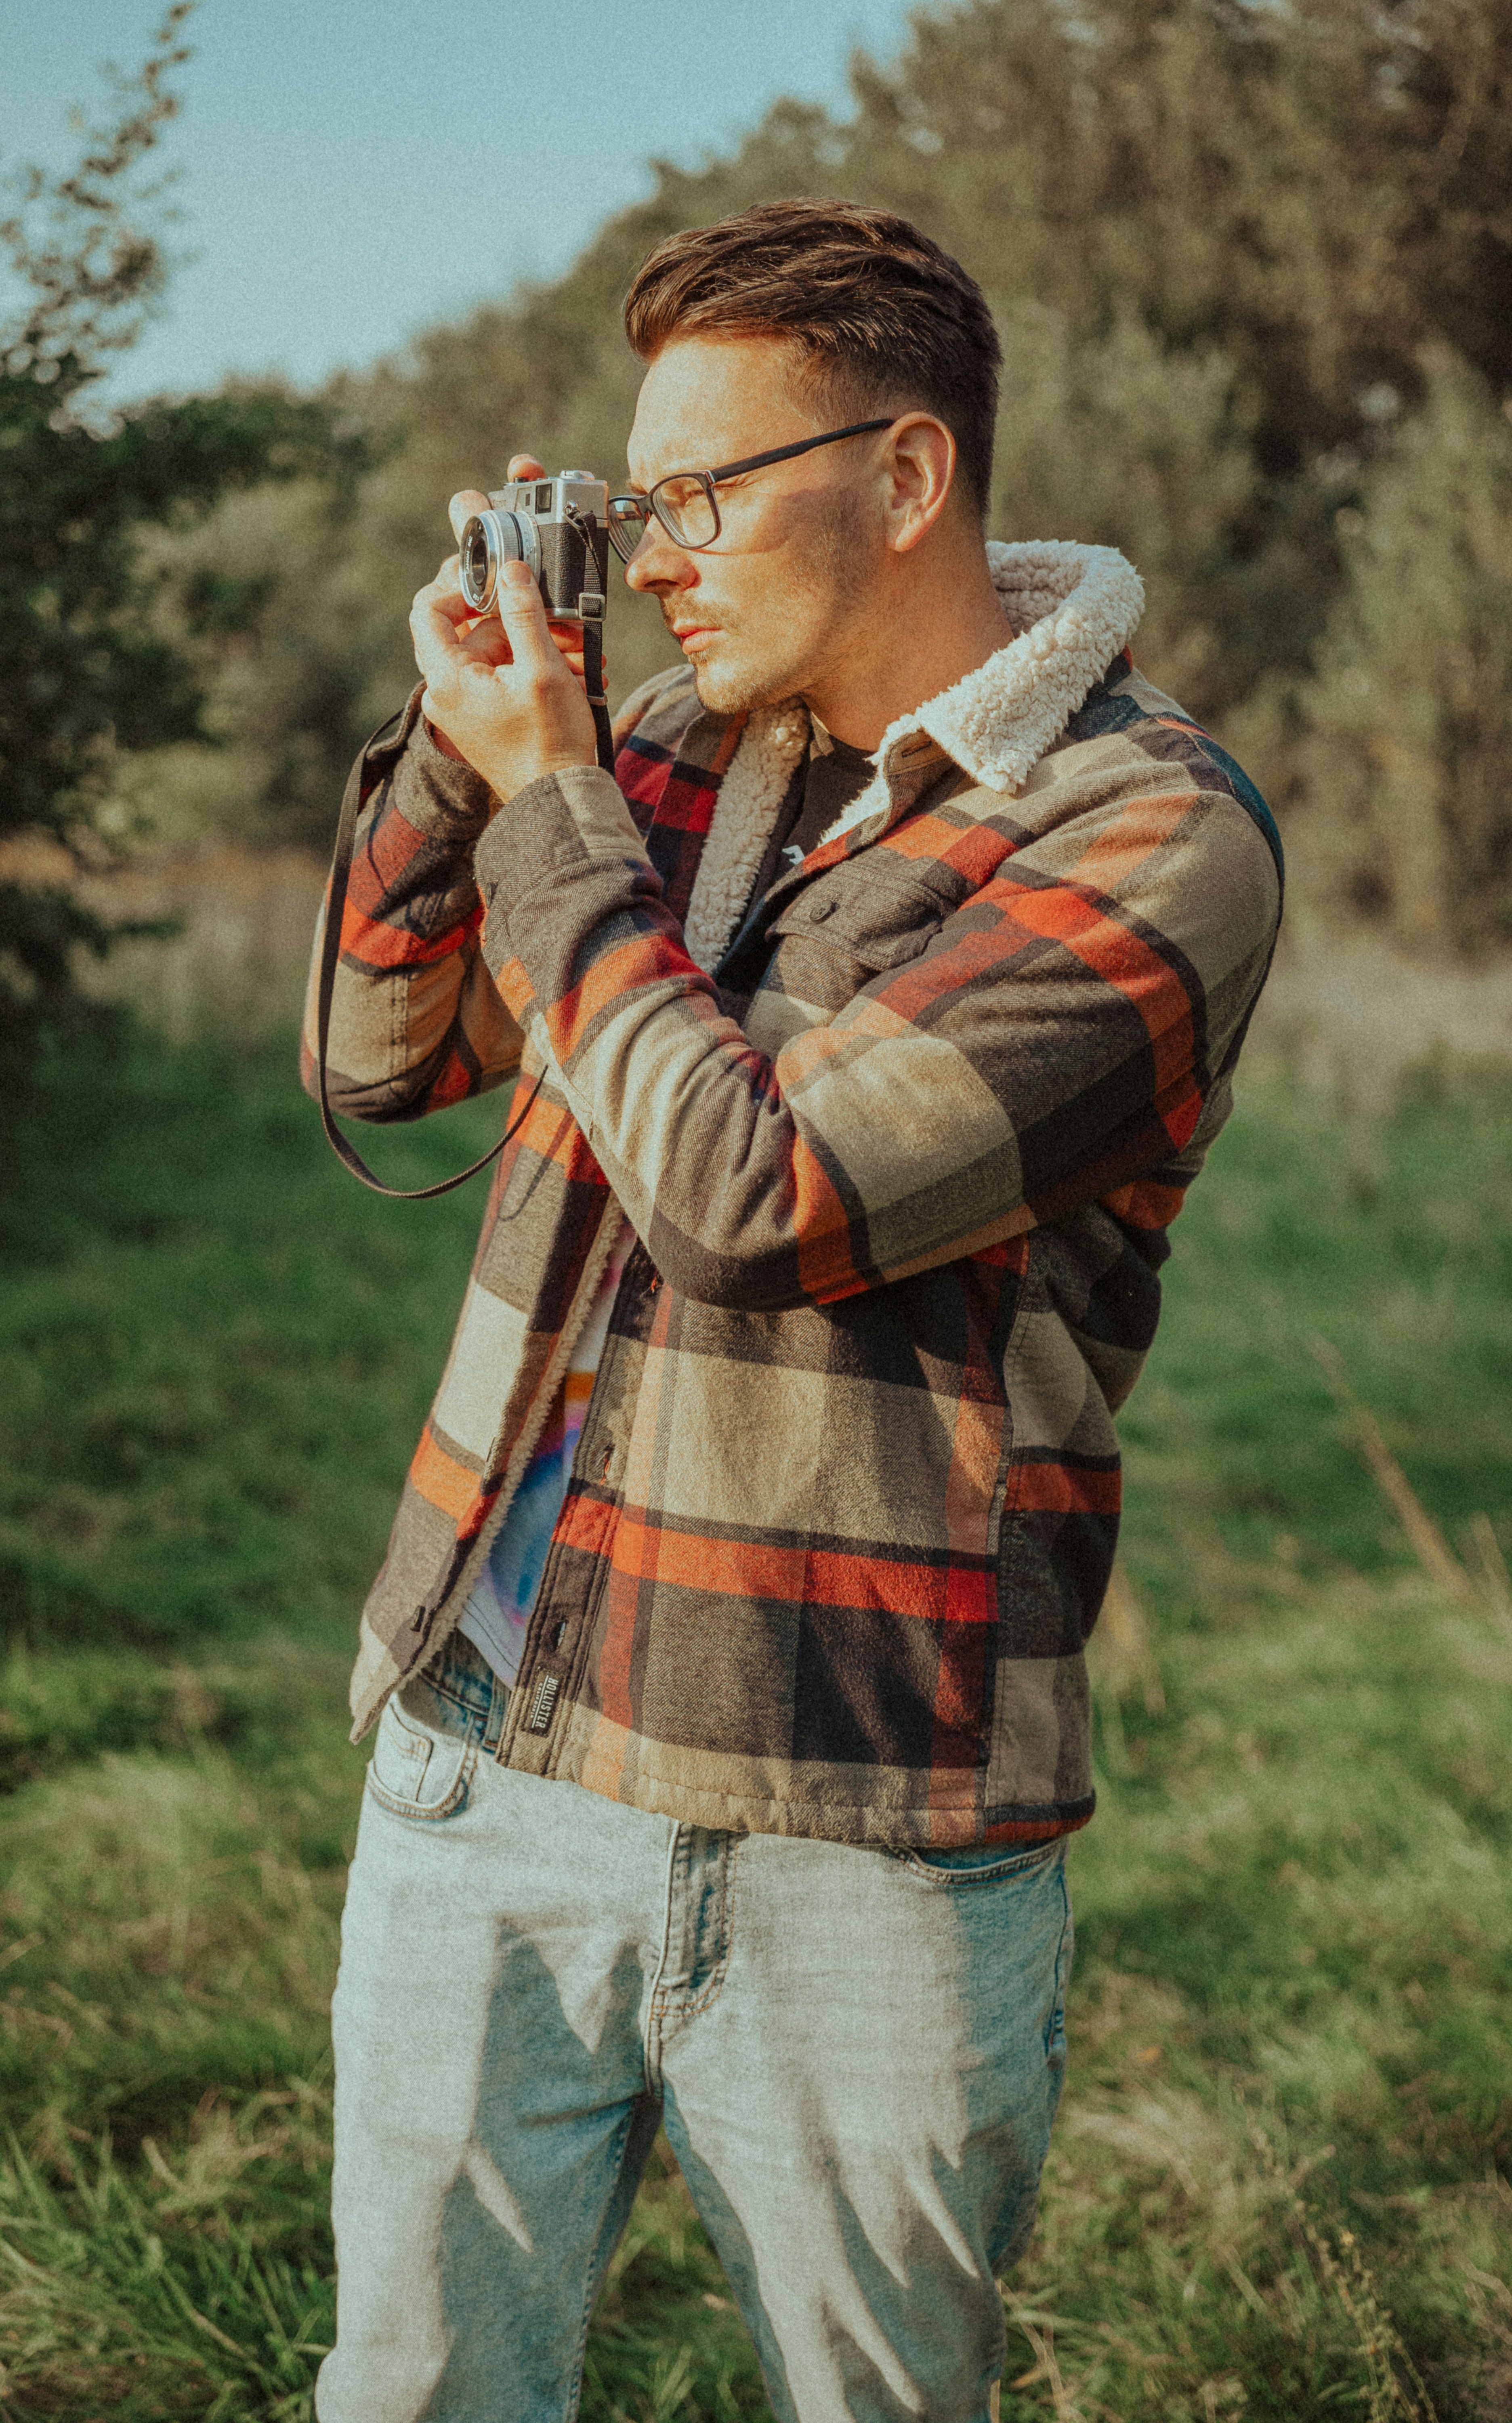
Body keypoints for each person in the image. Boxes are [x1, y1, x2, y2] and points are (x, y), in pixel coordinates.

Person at [301, 197, 1282, 2423]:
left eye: (700, 499)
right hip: (489, 1734)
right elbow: (380, 1063)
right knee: (416, 2392)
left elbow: (762, 1193)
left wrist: (553, 804)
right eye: (631, 509)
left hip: (864, 1801)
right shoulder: (642, 755)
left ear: (909, 475)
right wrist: (465, 761)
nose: (655, 560)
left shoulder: (1147, 831)